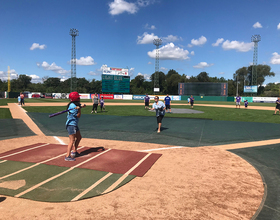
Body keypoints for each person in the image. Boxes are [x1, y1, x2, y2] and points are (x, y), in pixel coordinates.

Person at [65, 91, 86, 161]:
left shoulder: (75, 105)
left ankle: (74, 151)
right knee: (72, 140)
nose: (79, 98)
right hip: (71, 124)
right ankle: (67, 156)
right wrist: (80, 108)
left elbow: (78, 107)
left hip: (74, 124)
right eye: (78, 97)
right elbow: (78, 116)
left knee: (79, 137)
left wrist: (80, 106)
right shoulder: (72, 106)